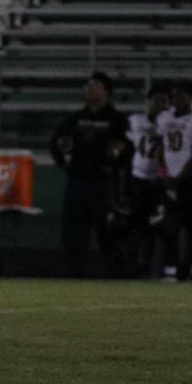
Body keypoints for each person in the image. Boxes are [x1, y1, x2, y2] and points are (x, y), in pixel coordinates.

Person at [51, 71, 130, 278]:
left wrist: (116, 158)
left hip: (102, 180)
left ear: (107, 92)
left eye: (95, 85)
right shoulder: (75, 119)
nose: (90, 89)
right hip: (77, 179)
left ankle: (117, 274)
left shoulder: (117, 120)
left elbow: (126, 149)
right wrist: (63, 160)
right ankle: (73, 272)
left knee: (108, 231)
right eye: (88, 85)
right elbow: (56, 143)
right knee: (73, 231)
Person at [156, 83, 192, 281]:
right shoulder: (164, 117)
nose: (177, 100)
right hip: (170, 178)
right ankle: (170, 270)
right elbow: (160, 148)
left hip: (191, 178)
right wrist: (164, 173)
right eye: (175, 96)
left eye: (182, 96)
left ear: (191, 97)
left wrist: (178, 177)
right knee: (169, 225)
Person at [124, 84, 170, 277]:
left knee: (161, 226)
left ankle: (160, 268)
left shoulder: (172, 122)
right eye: (155, 100)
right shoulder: (135, 120)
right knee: (138, 225)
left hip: (163, 180)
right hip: (139, 177)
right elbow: (127, 147)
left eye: (163, 101)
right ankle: (138, 267)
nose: (159, 105)